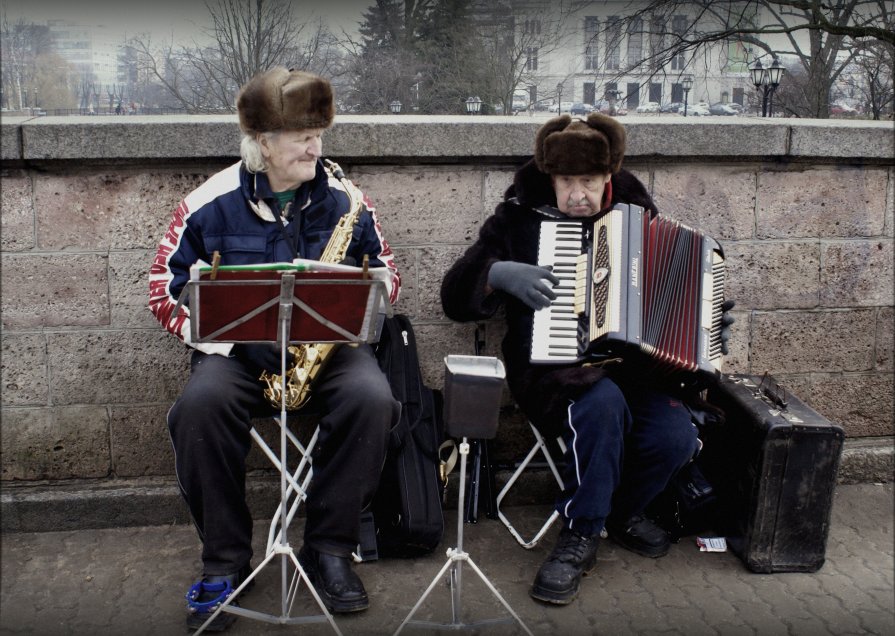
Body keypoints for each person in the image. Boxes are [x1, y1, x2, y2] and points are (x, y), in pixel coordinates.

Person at [440, 113, 733, 605]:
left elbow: (680, 286)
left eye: (590, 182)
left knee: (675, 436)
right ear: (550, 178)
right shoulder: (519, 214)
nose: (578, 195)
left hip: (637, 370)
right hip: (552, 370)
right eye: (567, 182)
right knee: (600, 407)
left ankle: (621, 510)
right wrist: (498, 273)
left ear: (608, 178)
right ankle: (580, 534)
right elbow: (454, 299)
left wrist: (710, 325)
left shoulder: (637, 213)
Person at [148, 67, 401, 631]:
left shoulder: (346, 199)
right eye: (303, 137)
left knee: (372, 398)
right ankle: (226, 562)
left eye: (319, 134)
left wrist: (368, 295)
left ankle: (330, 547)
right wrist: (230, 338)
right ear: (262, 141)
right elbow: (161, 290)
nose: (317, 147)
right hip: (237, 356)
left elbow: (388, 275)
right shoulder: (206, 203)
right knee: (198, 410)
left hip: (330, 351)